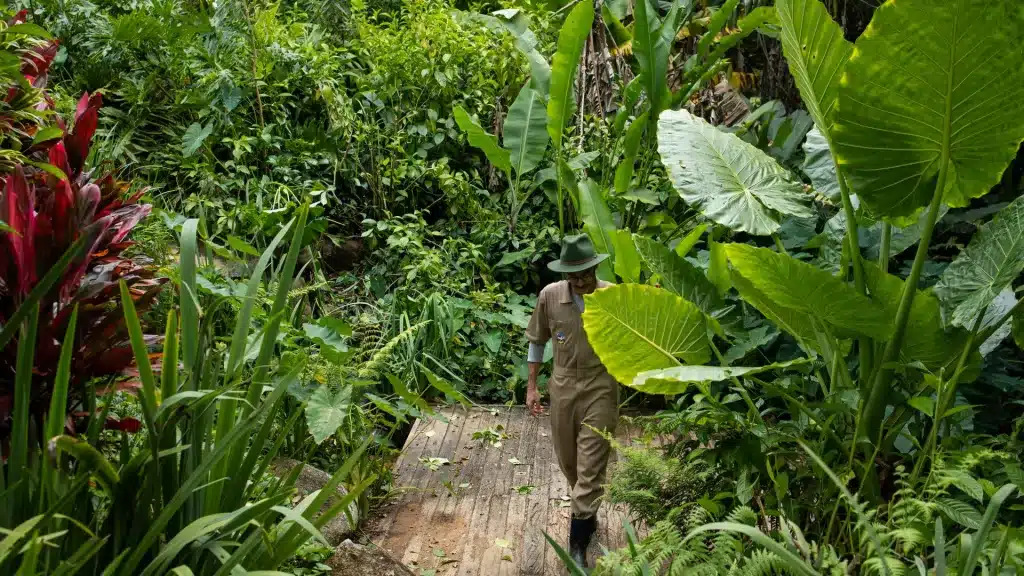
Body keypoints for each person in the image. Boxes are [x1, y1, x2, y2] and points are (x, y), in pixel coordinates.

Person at [525, 234, 618, 569]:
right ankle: (587, 514)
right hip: (563, 385)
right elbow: (537, 341)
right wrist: (532, 387)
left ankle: (576, 547)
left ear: (595, 268)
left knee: (591, 465)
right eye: (573, 276)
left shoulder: (612, 297)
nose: (580, 282)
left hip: (601, 386)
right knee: (570, 462)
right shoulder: (550, 297)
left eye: (586, 275)